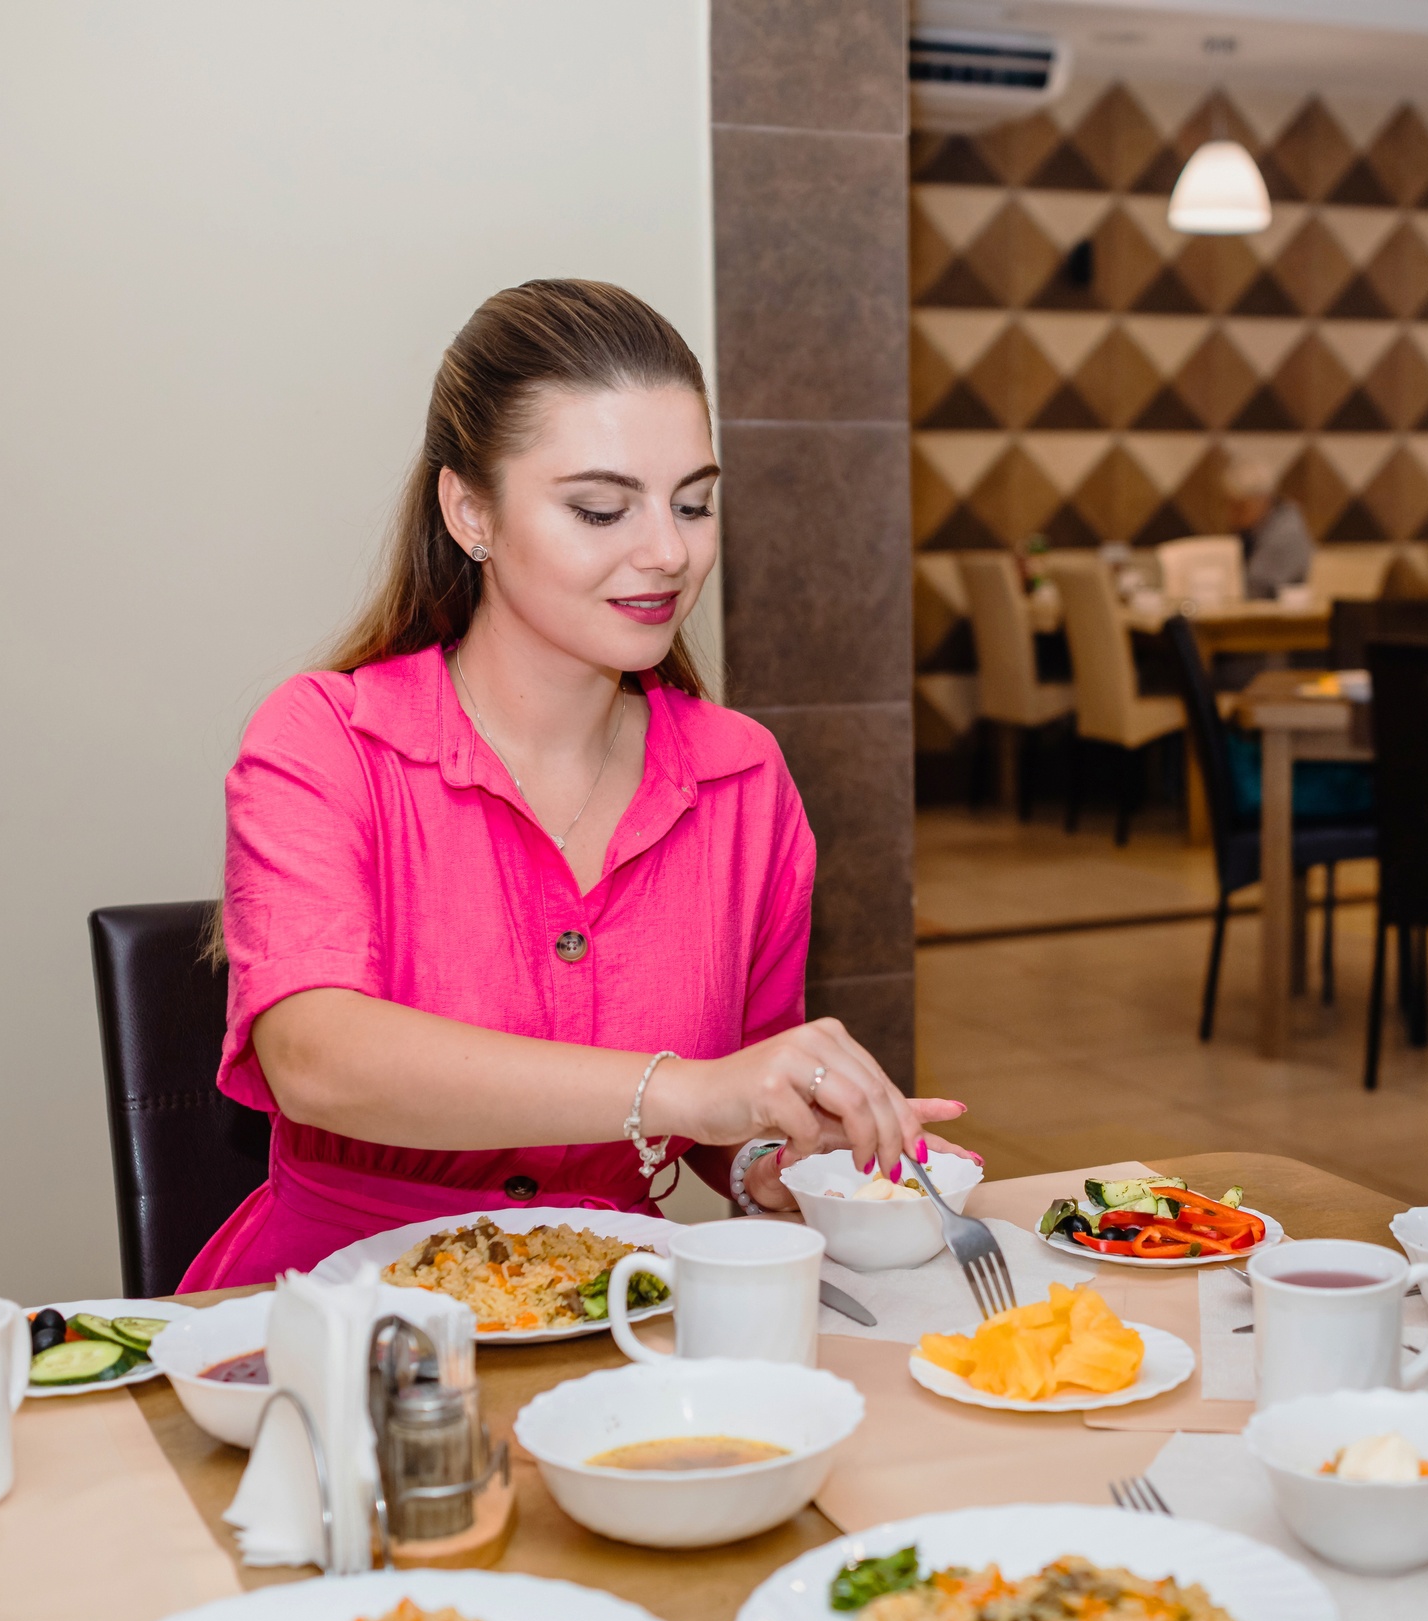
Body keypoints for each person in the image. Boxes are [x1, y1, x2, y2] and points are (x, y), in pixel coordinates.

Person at [181, 280, 969, 1289]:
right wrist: (681, 1091)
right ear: (469, 511)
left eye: (693, 503)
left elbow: (734, 1101)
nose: (669, 552)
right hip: (339, 1311)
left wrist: (775, 1161)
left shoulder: (744, 778)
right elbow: (314, 1058)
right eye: (601, 509)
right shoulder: (326, 739)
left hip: (610, 1308)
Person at [1227, 458, 1313, 601]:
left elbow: (1256, 589)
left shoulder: (1286, 533)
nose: (1232, 515)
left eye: (1240, 507)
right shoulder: (1255, 530)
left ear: (1262, 500)